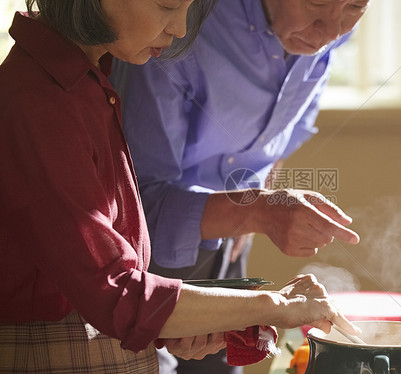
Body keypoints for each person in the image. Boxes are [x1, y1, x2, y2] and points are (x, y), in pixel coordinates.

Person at [0, 0, 361, 372]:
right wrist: (277, 306)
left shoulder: (90, 80)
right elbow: (115, 292)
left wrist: (172, 326)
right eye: (168, 6)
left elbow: (93, 288)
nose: (181, 30)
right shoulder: (39, 103)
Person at [111, 0, 369, 372]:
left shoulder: (331, 27)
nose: (330, 30)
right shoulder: (178, 28)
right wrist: (257, 211)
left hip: (232, 240)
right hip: (145, 258)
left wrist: (254, 202)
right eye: (316, 2)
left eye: (355, 6)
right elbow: (134, 206)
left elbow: (286, 124)